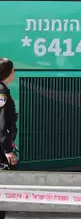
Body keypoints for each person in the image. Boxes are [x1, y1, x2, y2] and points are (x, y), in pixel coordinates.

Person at [0, 58, 17, 219]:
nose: (14, 73)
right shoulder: (2, 91)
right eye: (13, 70)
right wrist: (8, 150)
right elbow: (2, 123)